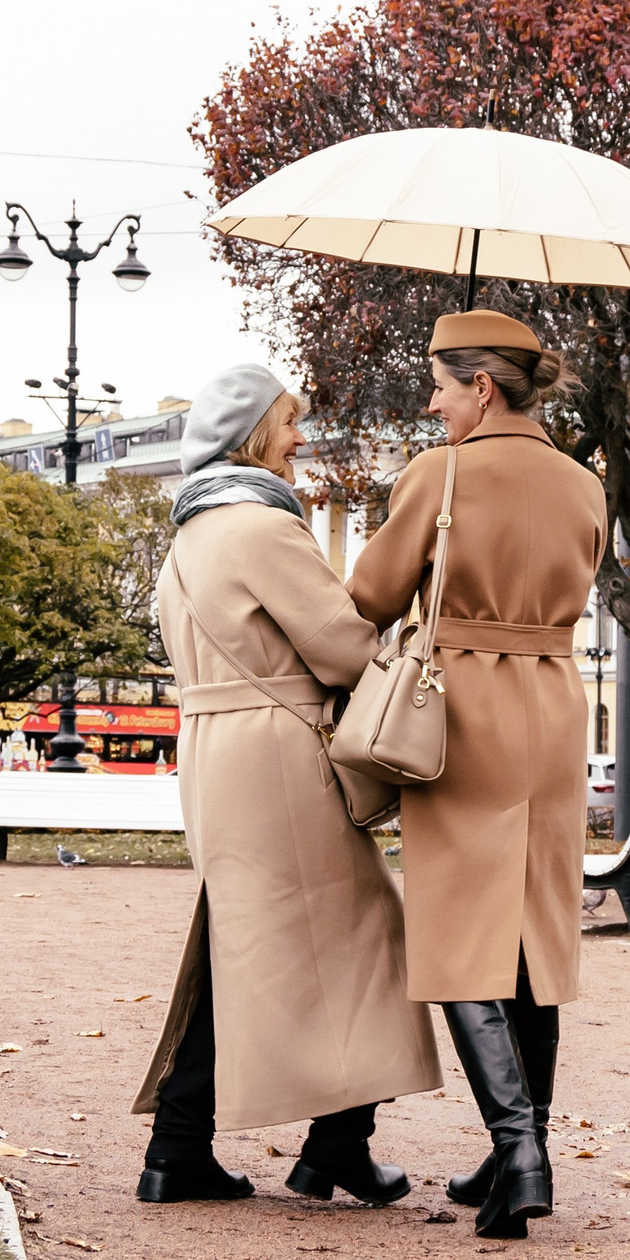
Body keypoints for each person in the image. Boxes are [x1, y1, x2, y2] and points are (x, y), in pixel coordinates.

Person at [132, 365, 441, 1207]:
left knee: (242, 945)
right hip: (280, 754)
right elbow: (341, 647)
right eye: (290, 422)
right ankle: (335, 1144)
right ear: (254, 433)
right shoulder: (263, 524)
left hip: (215, 751)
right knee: (369, 933)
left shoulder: (190, 534)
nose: (300, 438)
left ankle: (180, 1147)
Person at [347, 310, 605, 1240]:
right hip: (556, 708)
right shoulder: (585, 484)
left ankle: (519, 1149)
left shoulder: (439, 472)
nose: (432, 402)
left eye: (441, 385)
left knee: (457, 933)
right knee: (535, 933)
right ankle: (519, 1151)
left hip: (463, 711)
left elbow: (370, 594)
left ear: (483, 387)